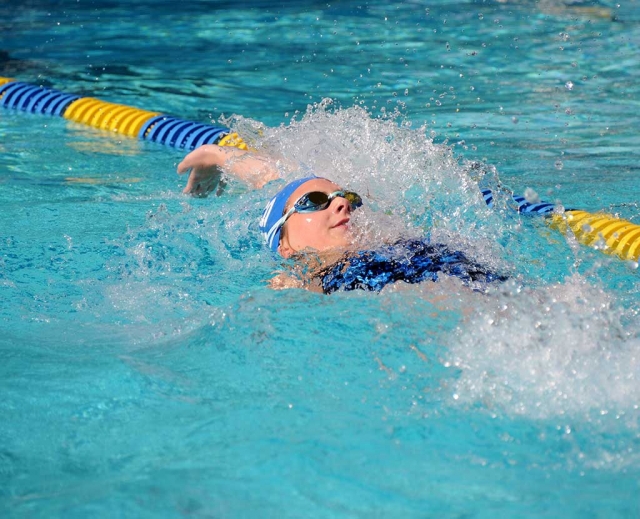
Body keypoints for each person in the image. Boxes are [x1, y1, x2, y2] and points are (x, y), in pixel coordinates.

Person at [177, 144, 508, 293]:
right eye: (315, 202)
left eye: (346, 198)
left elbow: (278, 178)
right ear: (285, 246)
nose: (341, 206)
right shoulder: (328, 281)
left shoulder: (384, 238)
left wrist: (217, 154)